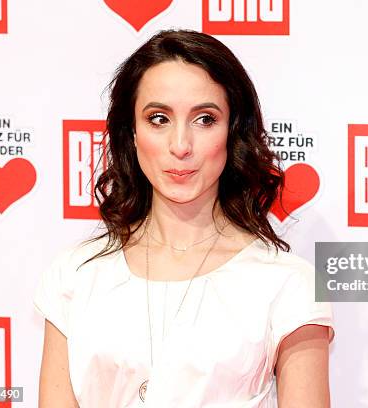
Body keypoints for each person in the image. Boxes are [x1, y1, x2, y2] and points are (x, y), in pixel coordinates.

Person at [33, 29, 335, 407]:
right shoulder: (74, 276)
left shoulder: (289, 286)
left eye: (205, 119)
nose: (180, 146)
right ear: (131, 133)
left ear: (233, 131)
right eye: (158, 118)